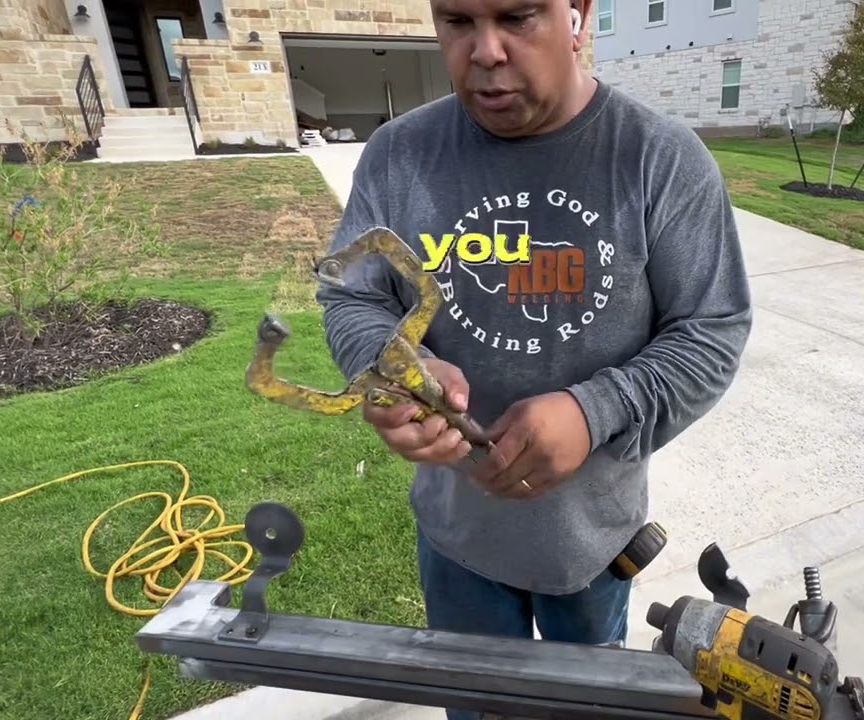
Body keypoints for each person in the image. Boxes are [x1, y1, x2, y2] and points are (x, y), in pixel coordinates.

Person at [315, 0, 751, 713]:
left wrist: (594, 412)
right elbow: (351, 297)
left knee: (587, 709)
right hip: (455, 535)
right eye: (458, 22)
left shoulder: (659, 158)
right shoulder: (399, 155)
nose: (485, 51)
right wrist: (390, 361)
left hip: (591, 545)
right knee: (475, 707)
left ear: (578, 13)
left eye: (518, 17)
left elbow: (713, 328)